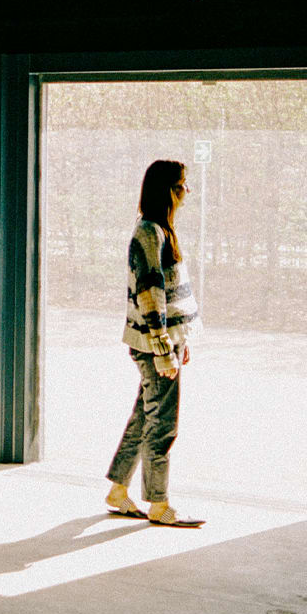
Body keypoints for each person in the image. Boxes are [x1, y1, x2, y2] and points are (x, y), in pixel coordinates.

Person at [104, 159, 205, 528]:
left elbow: (169, 295)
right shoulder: (150, 232)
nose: (186, 191)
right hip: (154, 346)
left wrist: (181, 341)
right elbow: (150, 295)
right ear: (167, 189)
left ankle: (118, 490)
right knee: (162, 425)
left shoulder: (160, 229)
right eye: (181, 184)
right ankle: (159, 505)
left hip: (163, 343)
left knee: (143, 418)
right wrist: (164, 349)